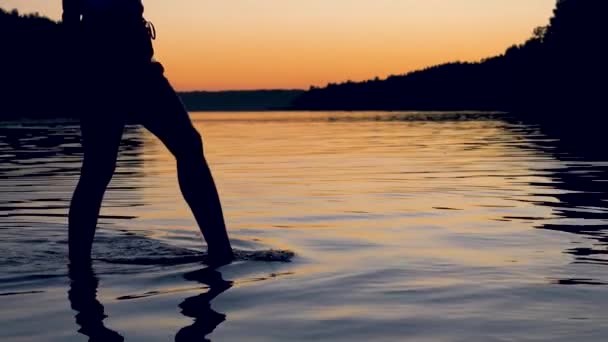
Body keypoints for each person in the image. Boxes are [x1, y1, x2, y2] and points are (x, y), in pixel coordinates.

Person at [62, 0, 234, 267]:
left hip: (137, 65)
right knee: (99, 168)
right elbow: (71, 14)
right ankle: (78, 262)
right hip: (100, 68)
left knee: (188, 146)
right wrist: (77, 76)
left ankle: (221, 250)